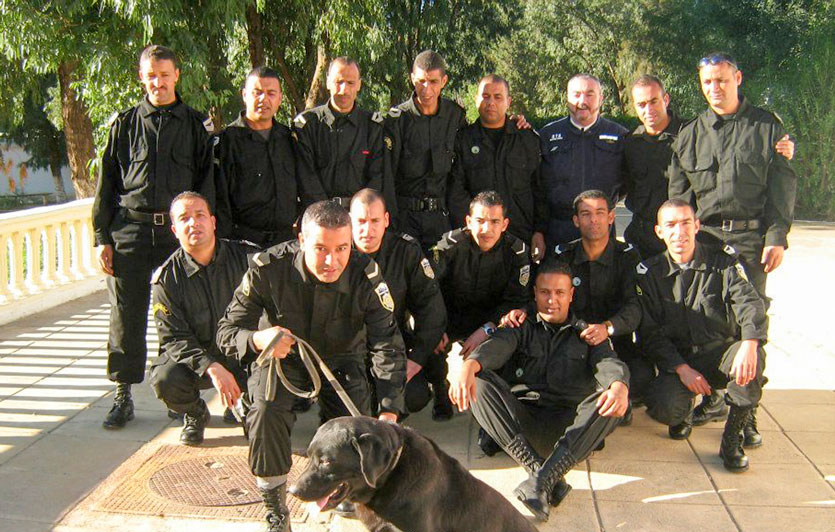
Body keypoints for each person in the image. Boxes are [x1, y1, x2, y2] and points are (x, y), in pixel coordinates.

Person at [216, 200, 406, 531]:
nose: (331, 261)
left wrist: (389, 409)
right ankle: (274, 506)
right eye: (320, 248)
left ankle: (348, 489)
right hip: (282, 358)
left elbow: (387, 344)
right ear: (302, 240)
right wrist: (259, 339)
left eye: (341, 248)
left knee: (357, 426)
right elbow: (227, 332)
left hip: (342, 360)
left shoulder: (367, 276)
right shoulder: (267, 267)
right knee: (264, 411)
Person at [668, 53, 797, 444]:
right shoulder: (689, 135)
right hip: (705, 241)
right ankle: (714, 396)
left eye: (722, 80)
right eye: (707, 82)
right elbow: (678, 198)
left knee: (751, 324)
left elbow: (782, 186)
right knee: (706, 322)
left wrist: (777, 237)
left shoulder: (765, 127)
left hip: (749, 241)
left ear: (737, 78)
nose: (715, 88)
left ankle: (747, 413)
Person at [449, 260, 629, 521]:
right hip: (521, 426)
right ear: (534, 293)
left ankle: (542, 478)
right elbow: (497, 346)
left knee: (615, 396)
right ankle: (545, 477)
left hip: (569, 431)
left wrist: (619, 384)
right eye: (545, 292)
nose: (551, 300)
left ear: (571, 295)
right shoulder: (520, 325)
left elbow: (609, 363)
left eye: (559, 293)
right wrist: (470, 364)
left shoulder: (587, 333)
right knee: (478, 380)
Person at [92, 44, 214, 429]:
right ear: (141, 77)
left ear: (177, 75)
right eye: (151, 75)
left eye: (164, 74)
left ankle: (175, 396)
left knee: (174, 316)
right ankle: (123, 394)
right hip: (130, 230)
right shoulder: (125, 124)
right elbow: (107, 183)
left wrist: (203, 232)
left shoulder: (196, 125)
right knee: (126, 317)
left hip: (176, 236)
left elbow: (205, 184)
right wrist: (101, 236)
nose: (158, 82)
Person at [637, 199, 767, 473]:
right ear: (659, 231)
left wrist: (749, 343)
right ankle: (684, 411)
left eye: (685, 223)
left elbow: (750, 304)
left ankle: (733, 438)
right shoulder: (649, 273)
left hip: (721, 353)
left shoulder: (724, 263)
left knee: (751, 360)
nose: (679, 232)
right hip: (682, 361)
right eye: (670, 225)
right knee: (664, 406)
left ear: (696, 226)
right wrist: (681, 369)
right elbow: (650, 334)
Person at [624, 74, 794, 261]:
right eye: (641, 104)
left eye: (654, 101)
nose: (648, 109)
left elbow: (731, 154)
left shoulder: (692, 135)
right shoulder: (630, 142)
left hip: (685, 236)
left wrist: (779, 148)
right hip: (642, 237)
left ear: (666, 99)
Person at [148, 192, 253, 445]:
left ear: (213, 222)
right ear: (174, 229)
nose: (193, 223)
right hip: (198, 360)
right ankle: (195, 413)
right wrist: (211, 366)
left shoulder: (247, 260)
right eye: (184, 218)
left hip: (241, 354)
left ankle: (245, 404)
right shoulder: (167, 279)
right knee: (164, 378)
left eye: (200, 215)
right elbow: (174, 338)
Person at [542, 190, 651, 409]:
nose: (594, 220)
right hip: (574, 340)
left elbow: (635, 306)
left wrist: (607, 327)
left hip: (615, 339)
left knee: (642, 376)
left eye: (600, 213)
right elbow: (552, 304)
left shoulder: (628, 256)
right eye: (586, 214)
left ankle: (611, 392)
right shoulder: (563, 256)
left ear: (611, 217)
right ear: (576, 220)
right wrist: (582, 328)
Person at [349, 189, 448, 419]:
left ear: (386, 220)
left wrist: (416, 359)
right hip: (350, 351)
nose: (368, 230)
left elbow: (431, 308)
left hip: (393, 346)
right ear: (350, 221)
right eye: (361, 221)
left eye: (375, 221)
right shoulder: (337, 253)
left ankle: (437, 383)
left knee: (414, 396)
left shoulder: (405, 251)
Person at [430, 191, 531, 414]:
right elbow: (428, 291)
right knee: (429, 342)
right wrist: (435, 326)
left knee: (511, 337)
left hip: (489, 317)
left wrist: (487, 328)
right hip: (450, 315)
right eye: (480, 221)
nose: (487, 229)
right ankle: (439, 388)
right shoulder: (448, 246)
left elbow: (516, 300)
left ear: (504, 224)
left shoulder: (517, 252)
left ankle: (493, 400)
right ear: (468, 221)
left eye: (494, 222)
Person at [448, 74, 545, 253]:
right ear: (476, 100)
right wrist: (474, 228)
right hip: (477, 239)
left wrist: (539, 231)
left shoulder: (527, 139)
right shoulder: (462, 140)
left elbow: (540, 190)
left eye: (498, 97)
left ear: (508, 101)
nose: (491, 102)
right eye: (485, 96)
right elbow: (456, 192)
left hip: (520, 236)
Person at [384, 50, 467, 251]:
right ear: (412, 78)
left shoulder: (454, 116)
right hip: (405, 219)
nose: (426, 89)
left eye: (433, 82)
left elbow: (463, 168)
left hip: (441, 220)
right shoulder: (397, 120)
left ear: (444, 81)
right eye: (421, 81)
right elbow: (387, 177)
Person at [537, 74, 628, 253]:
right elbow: (538, 187)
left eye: (589, 94)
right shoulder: (547, 136)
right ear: (567, 98)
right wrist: (538, 230)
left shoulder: (619, 136)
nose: (582, 101)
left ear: (600, 99)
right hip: (559, 229)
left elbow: (627, 181)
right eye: (576, 94)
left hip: (601, 230)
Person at [215, 66, 300, 248]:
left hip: (286, 242)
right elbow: (221, 200)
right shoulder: (227, 141)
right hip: (243, 243)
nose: (264, 99)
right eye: (257, 93)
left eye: (271, 93)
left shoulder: (289, 139)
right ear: (245, 95)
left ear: (280, 98)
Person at [293, 57, 384, 209]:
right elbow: (307, 178)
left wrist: (361, 212)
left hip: (359, 216)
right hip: (318, 215)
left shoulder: (372, 127)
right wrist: (326, 212)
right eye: (338, 82)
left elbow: (376, 177)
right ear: (328, 82)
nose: (344, 90)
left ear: (359, 85)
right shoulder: (308, 126)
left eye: (350, 83)